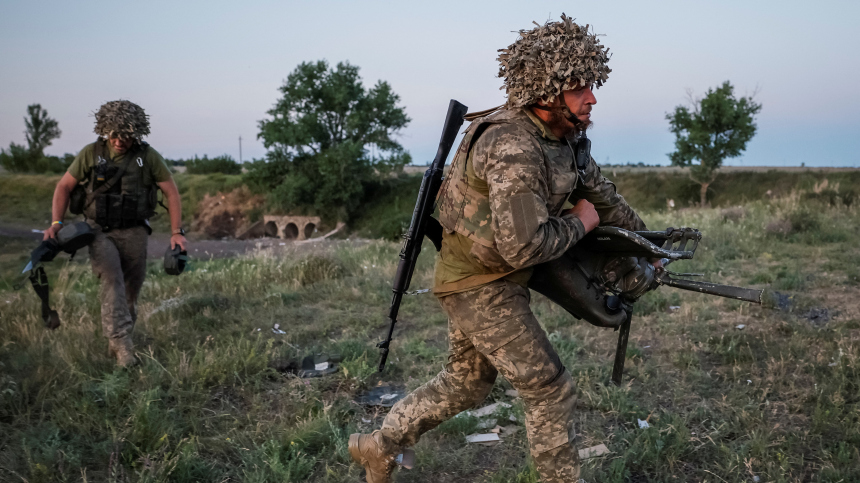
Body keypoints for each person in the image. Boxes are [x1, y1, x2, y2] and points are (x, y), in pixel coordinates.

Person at [349, 15, 655, 482]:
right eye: (579, 87)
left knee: (467, 382)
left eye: (592, 84)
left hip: (491, 275)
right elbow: (525, 246)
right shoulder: (512, 143)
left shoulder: (564, 137)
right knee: (549, 389)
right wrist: (580, 220)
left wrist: (646, 244)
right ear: (547, 92)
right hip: (479, 282)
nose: (592, 97)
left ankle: (379, 447)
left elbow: (605, 198)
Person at [43, 100, 187, 367]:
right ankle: (123, 346)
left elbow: (171, 192)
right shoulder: (91, 153)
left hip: (135, 231)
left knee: (131, 290)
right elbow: (63, 186)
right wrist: (56, 222)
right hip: (98, 231)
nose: (120, 141)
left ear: (137, 132)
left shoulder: (148, 156)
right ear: (104, 130)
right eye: (114, 135)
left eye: (127, 135)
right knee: (112, 280)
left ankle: (118, 338)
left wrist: (176, 232)